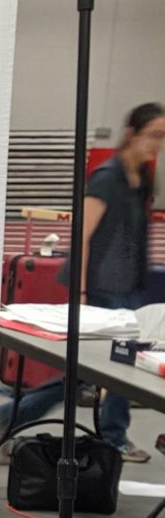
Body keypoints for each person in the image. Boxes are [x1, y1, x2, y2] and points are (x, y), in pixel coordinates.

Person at [71, 101, 165, 462]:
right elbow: (82, 233)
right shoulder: (108, 177)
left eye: (162, 137)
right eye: (152, 135)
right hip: (101, 287)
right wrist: (81, 292)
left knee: (93, 367)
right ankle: (113, 435)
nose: (157, 143)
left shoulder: (140, 178)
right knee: (115, 362)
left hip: (125, 285)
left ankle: (113, 433)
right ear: (131, 134)